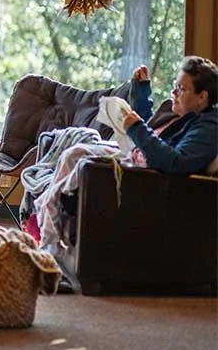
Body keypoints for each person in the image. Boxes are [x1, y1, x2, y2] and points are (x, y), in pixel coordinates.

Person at [22, 56, 218, 251]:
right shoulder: (180, 114)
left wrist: (136, 127)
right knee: (75, 149)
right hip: (134, 155)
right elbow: (151, 129)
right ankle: (46, 216)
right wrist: (140, 90)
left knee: (76, 155)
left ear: (202, 97)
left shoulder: (207, 128)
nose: (174, 92)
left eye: (181, 88)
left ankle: (47, 233)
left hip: (143, 176)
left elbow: (174, 162)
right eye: (175, 85)